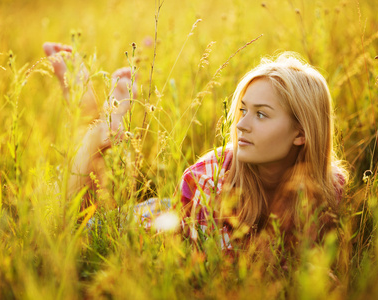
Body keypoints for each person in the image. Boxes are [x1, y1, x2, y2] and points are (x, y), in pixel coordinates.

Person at [43, 43, 347, 250]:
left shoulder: (329, 187)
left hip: (187, 212)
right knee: (76, 228)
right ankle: (93, 116)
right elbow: (227, 277)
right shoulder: (207, 180)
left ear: (301, 133)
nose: (241, 125)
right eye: (242, 110)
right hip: (159, 223)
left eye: (262, 114)